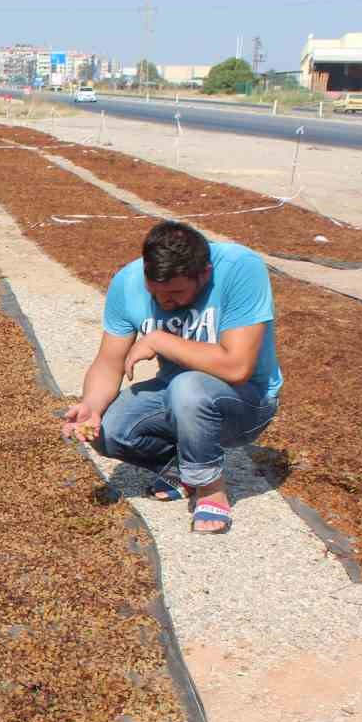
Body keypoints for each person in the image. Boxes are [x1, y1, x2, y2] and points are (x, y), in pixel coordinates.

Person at [61, 220, 282, 534]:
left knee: (188, 386)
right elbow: (108, 362)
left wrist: (159, 340)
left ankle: (210, 488)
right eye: (157, 294)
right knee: (108, 430)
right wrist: (92, 406)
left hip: (246, 399)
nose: (166, 302)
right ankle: (184, 469)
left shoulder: (240, 268)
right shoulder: (128, 282)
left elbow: (237, 367)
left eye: (176, 293)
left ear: (204, 273)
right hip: (175, 394)